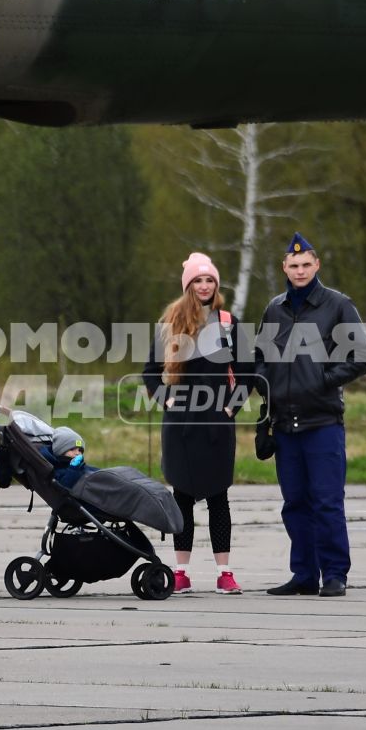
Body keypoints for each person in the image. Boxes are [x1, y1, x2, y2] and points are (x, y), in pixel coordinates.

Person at [253, 233, 366, 598]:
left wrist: (323, 381)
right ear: (284, 269)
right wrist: (265, 383)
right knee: (295, 505)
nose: (300, 271)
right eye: (294, 266)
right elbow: (259, 355)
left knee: (326, 501)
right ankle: (303, 574)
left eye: (306, 265)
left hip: (322, 423)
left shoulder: (337, 305)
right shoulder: (275, 308)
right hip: (284, 424)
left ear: (317, 265)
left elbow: (362, 356)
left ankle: (335, 574)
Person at [143, 251, 248, 595]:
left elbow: (248, 374)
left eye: (210, 280)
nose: (204, 286)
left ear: (216, 285)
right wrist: (166, 399)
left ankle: (225, 573)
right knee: (183, 497)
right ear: (188, 286)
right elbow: (150, 374)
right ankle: (181, 572)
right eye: (198, 280)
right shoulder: (169, 324)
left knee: (219, 497)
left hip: (217, 425)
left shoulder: (229, 324)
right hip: (181, 428)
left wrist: (232, 407)